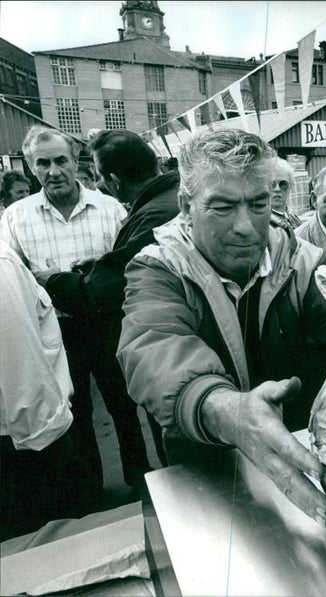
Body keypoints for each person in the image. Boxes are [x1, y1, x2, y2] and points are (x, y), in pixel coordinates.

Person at [117, 129, 326, 526]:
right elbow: (152, 346)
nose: (246, 227)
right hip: (208, 475)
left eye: (258, 204)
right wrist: (223, 407)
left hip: (303, 461)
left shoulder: (302, 259)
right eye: (222, 206)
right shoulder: (159, 267)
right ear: (187, 206)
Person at [0, 126, 130, 501]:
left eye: (61, 160)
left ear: (76, 162)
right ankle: (90, 493)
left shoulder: (110, 208)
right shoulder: (15, 217)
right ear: (30, 167)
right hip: (59, 335)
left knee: (125, 402)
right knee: (74, 413)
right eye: (43, 163)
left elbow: (128, 268)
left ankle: (142, 479)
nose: (53, 171)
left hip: (111, 325)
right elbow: (13, 281)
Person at [43, 129, 182, 471]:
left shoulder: (154, 213)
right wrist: (100, 266)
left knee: (182, 455)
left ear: (115, 181)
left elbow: (107, 288)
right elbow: (126, 262)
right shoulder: (166, 199)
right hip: (167, 343)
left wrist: (54, 280)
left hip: (168, 347)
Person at [0, 242, 96, 540]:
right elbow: (19, 360)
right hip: (26, 444)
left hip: (25, 446)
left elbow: (19, 359)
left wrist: (40, 441)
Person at [269, 157, 303, 229]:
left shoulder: (294, 219)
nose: (277, 189)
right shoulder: (262, 223)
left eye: (283, 184)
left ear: (290, 186)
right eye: (272, 184)